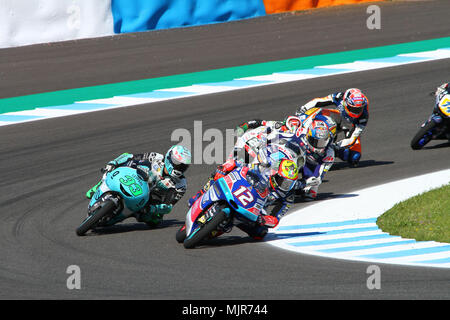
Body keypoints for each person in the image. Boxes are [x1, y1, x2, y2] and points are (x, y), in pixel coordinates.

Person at [86, 145, 191, 227]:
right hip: (136, 182)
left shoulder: (181, 184)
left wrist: (155, 208)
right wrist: (114, 162)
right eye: (178, 163)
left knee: (154, 220)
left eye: (183, 166)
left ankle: (126, 213)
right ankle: (102, 183)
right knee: (116, 167)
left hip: (150, 201)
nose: (180, 167)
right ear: (169, 157)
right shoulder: (156, 157)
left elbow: (168, 207)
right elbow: (130, 157)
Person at [296, 88, 369, 167]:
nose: (356, 112)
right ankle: (301, 127)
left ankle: (327, 151)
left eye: (359, 109)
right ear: (346, 103)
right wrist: (303, 108)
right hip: (337, 116)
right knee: (317, 111)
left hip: (350, 126)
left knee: (354, 157)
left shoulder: (363, 116)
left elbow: (352, 138)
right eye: (353, 108)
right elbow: (319, 101)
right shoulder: (339, 97)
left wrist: (335, 146)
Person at [297, 119, 335, 201]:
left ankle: (296, 187)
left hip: (312, 164)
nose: (319, 146)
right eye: (315, 141)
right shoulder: (300, 133)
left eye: (322, 142)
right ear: (308, 137)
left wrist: (311, 182)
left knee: (310, 194)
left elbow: (319, 177)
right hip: (297, 157)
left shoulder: (329, 153)